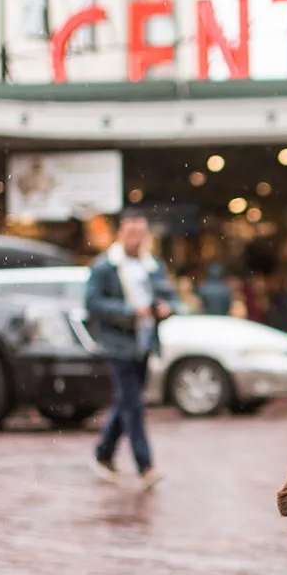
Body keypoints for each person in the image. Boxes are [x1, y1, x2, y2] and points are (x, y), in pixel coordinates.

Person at [86, 209, 177, 489]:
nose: (136, 239)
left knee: (126, 401)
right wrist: (130, 311)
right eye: (131, 233)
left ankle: (103, 453)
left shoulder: (154, 266)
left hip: (144, 343)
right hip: (118, 343)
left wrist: (165, 308)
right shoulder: (105, 266)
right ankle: (145, 465)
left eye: (140, 233)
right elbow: (93, 303)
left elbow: (170, 297)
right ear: (121, 234)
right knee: (134, 404)